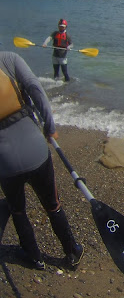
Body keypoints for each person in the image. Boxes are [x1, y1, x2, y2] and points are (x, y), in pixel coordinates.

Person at [0, 51, 83, 270]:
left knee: (17, 210)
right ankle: (72, 251)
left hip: (4, 162)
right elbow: (35, 89)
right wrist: (50, 127)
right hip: (36, 150)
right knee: (53, 204)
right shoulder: (9, 59)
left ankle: (33, 256)